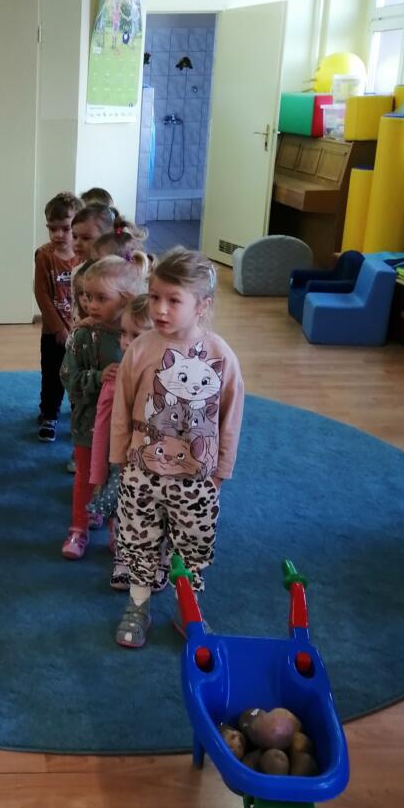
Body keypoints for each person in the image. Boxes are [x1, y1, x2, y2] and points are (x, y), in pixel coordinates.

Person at [110, 248, 244, 649]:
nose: (160, 309)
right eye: (154, 297)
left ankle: (188, 609)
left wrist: (221, 472)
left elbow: (230, 418)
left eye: (173, 300)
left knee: (192, 544)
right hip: (142, 472)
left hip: (196, 479)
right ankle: (138, 604)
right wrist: (119, 459)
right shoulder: (141, 349)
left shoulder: (221, 356)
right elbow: (121, 407)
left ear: (202, 305)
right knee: (138, 539)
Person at [59, 253, 149, 559]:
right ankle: (78, 529)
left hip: (127, 430)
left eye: (101, 298)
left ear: (127, 299)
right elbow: (68, 377)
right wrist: (98, 377)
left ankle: (116, 531)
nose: (90, 304)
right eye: (86, 296)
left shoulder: (140, 338)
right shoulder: (83, 335)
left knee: (120, 479)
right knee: (86, 477)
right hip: (89, 426)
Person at [89, 293, 153, 587]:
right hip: (123, 462)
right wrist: (99, 472)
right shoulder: (116, 377)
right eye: (123, 334)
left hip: (158, 461)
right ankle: (124, 558)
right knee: (126, 510)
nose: (126, 342)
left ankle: (156, 557)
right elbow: (103, 427)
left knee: (155, 512)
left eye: (136, 335)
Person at [34, 191, 82, 442]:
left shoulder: (84, 255)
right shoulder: (44, 255)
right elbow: (41, 293)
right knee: (51, 375)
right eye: (52, 228)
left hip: (81, 332)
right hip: (53, 333)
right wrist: (58, 328)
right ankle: (49, 415)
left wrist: (80, 329)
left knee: (78, 375)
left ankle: (79, 416)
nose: (58, 235)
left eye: (65, 228)